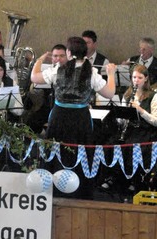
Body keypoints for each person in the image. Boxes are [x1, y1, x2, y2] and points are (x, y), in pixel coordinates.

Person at [30, 37, 116, 198]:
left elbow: (34, 77)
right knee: (80, 151)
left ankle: (53, 189)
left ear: (68, 52)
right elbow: (110, 93)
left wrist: (40, 60)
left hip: (59, 117)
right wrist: (111, 74)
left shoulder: (58, 69)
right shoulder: (91, 72)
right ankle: (79, 191)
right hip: (80, 118)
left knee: (56, 151)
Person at [121, 64, 157, 143]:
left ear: (146, 79)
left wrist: (140, 110)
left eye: (140, 78)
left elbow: (156, 121)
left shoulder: (153, 96)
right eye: (134, 77)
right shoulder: (127, 96)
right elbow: (122, 120)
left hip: (146, 136)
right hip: (129, 135)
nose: (136, 80)